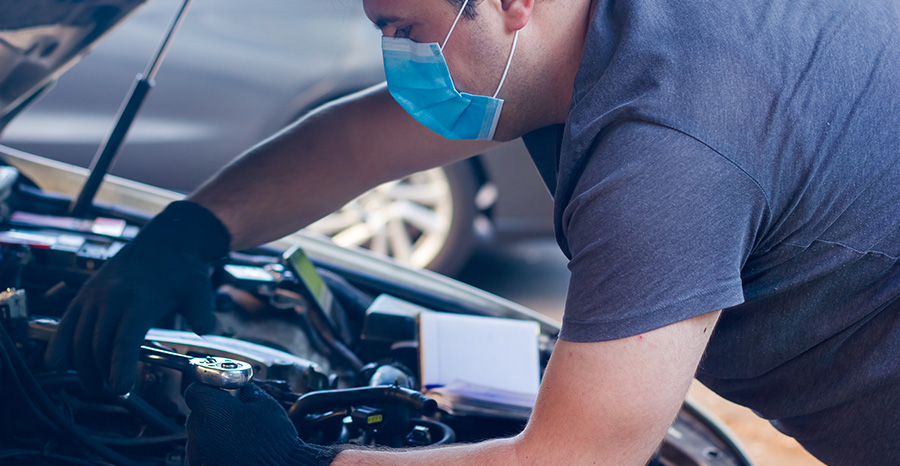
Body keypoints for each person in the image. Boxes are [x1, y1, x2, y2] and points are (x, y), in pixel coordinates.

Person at [44, 0, 900, 464]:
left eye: (403, 32)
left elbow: (575, 463)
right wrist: (192, 230)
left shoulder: (668, 144)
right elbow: (354, 138)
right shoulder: (586, 43)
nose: (397, 60)